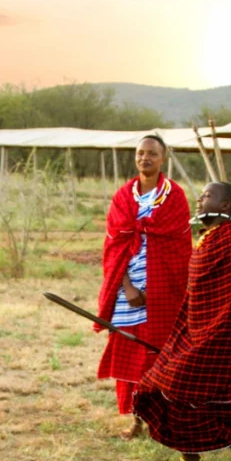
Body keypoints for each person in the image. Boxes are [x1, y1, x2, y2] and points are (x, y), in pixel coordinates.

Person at [134, 182, 231, 461]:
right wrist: (185, 331)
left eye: (207, 196)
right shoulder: (211, 237)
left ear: (225, 206)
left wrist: (216, 333)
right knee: (166, 387)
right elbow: (199, 292)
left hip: (225, 333)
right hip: (197, 328)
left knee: (180, 389)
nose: (200, 199)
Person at [97, 135, 192, 440]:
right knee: (129, 349)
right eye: (140, 153)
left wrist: (156, 290)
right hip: (127, 291)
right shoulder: (123, 197)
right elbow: (114, 246)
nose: (145, 158)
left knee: (159, 354)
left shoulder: (174, 196)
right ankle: (136, 420)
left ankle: (160, 419)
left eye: (152, 153)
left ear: (163, 159)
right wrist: (127, 287)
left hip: (163, 290)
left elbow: (180, 249)